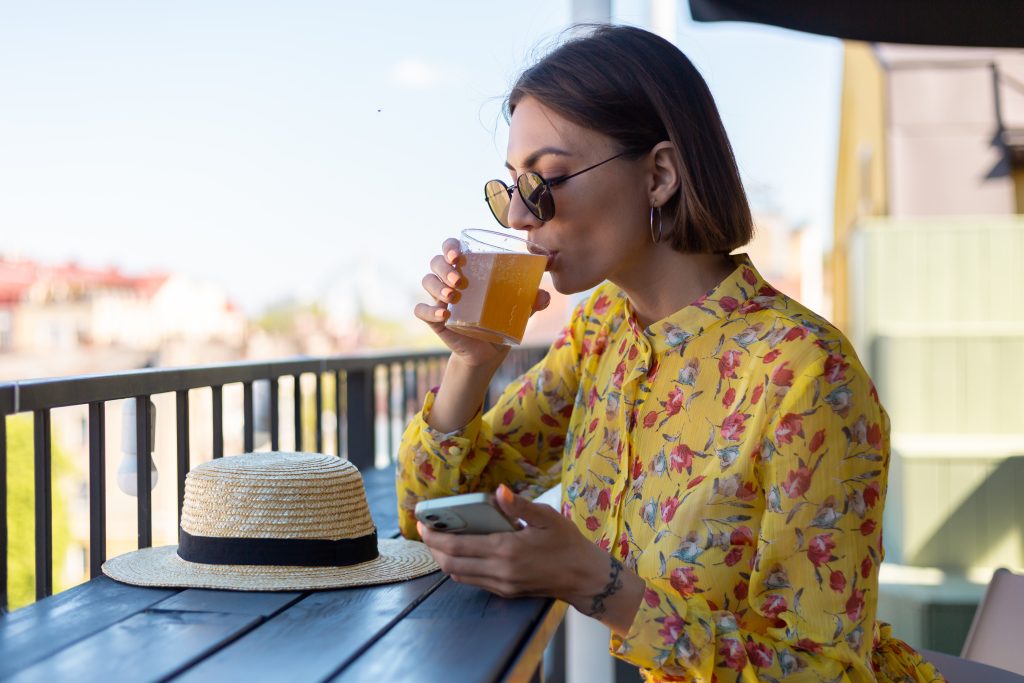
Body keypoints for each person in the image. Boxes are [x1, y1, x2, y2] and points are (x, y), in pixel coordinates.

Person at [396, 24, 945, 683]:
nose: (517, 216)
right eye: (510, 185)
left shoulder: (805, 373)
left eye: (544, 180)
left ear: (658, 174)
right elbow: (433, 513)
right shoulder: (604, 330)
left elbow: (819, 671)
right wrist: (471, 360)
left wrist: (592, 579)